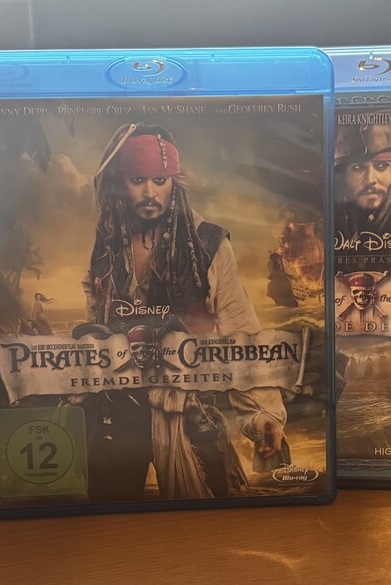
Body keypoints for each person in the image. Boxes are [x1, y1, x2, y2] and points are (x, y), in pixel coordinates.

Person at [81, 122, 286, 501]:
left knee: (205, 518)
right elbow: (96, 326)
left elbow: (241, 335)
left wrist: (262, 415)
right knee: (107, 518)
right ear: (119, 184)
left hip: (189, 411)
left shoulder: (208, 245)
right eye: (137, 180)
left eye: (160, 180)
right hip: (118, 414)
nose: (149, 192)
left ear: (174, 182)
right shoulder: (106, 246)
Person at [334, 113, 391, 276]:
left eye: (382, 166)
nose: (370, 180)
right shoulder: (332, 215)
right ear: (342, 175)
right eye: (358, 168)